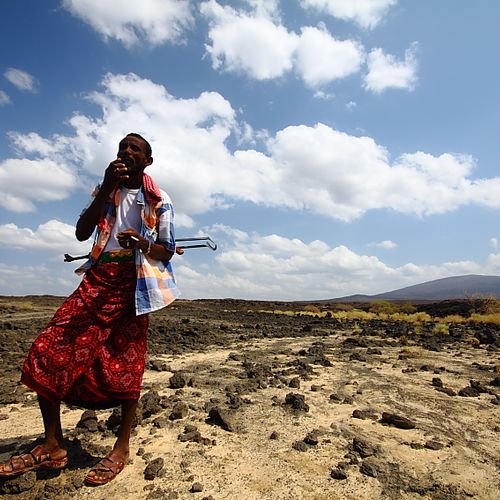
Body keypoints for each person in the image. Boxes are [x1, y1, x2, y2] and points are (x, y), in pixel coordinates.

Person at [0, 133, 180, 485]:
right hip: (97, 280)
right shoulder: (106, 191)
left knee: (127, 362)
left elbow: (166, 250)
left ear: (148, 161)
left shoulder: (160, 199)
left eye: (134, 149)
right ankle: (53, 444)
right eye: (122, 148)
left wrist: (142, 242)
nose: (126, 152)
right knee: (48, 348)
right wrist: (105, 188)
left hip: (134, 284)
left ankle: (122, 447)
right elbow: (83, 232)